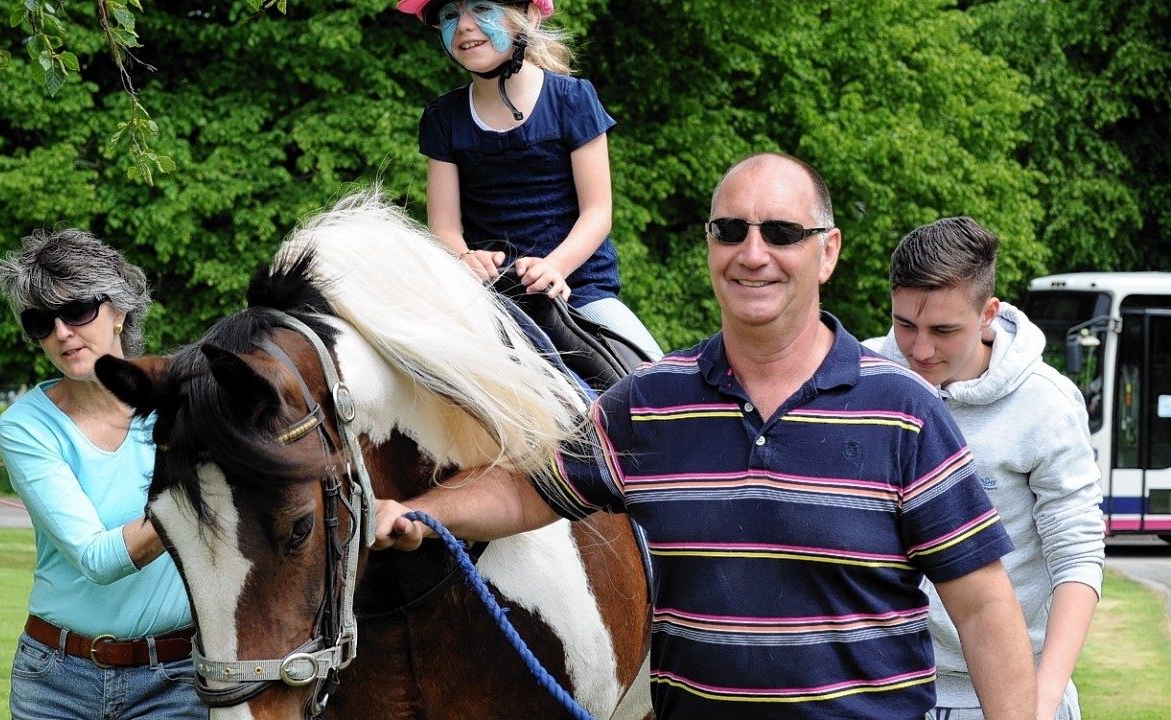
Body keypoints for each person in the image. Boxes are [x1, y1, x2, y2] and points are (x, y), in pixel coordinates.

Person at [373, 152, 1037, 719]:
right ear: (710, 246)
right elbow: (528, 489)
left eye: (781, 232)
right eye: (731, 230)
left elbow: (983, 611)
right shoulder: (651, 400)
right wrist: (422, 512)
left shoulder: (905, 412)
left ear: (827, 251)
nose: (754, 254)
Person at [865, 216, 1105, 720]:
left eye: (943, 330)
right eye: (904, 324)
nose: (920, 349)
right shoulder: (861, 381)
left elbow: (1077, 557)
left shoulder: (1047, 403)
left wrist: (1039, 699)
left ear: (988, 313)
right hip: (883, 689)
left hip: (1005, 696)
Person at [0, 229, 204, 720]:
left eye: (79, 310)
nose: (62, 332)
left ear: (120, 312)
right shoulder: (26, 426)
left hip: (176, 679)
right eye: (41, 322)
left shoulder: (188, 401)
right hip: (55, 681)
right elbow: (97, 557)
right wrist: (198, 493)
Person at [396, 0, 663, 360]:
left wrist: (555, 267)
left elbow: (598, 213)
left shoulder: (572, 100)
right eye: (449, 15)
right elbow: (443, 226)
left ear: (529, 15)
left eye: (482, 8)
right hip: (488, 294)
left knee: (653, 377)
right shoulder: (443, 118)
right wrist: (464, 258)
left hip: (578, 290)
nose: (463, 25)